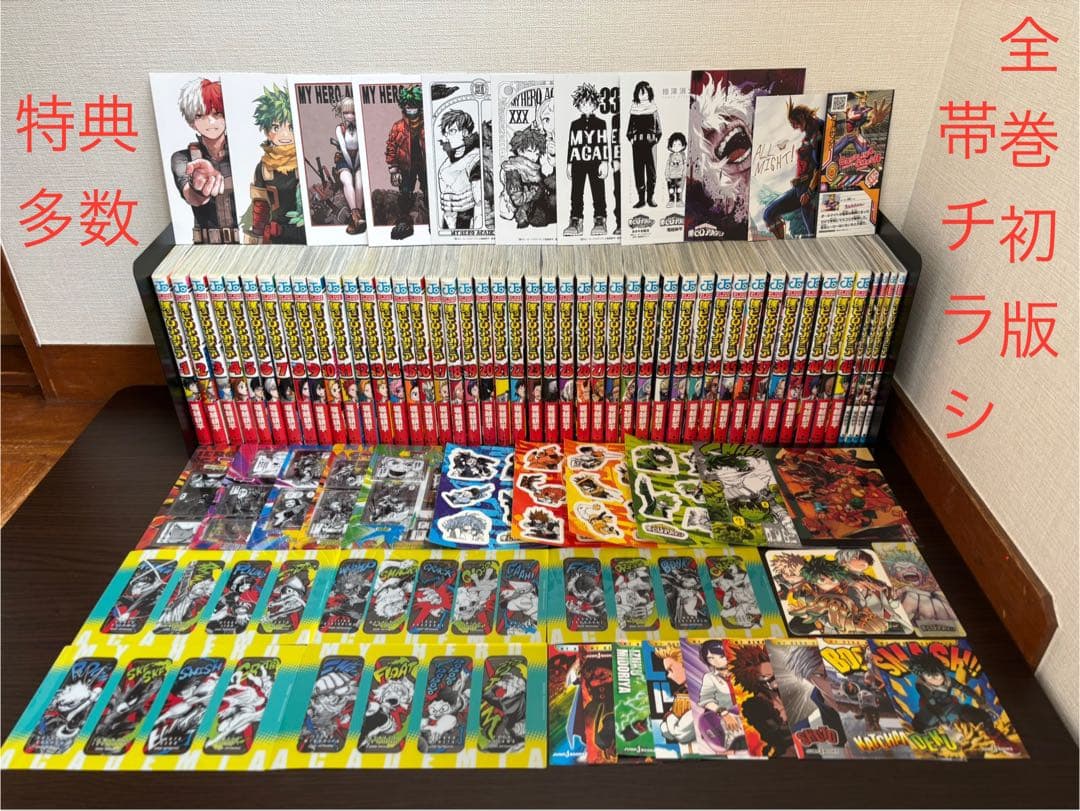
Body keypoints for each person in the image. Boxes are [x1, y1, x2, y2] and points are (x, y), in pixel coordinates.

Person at [172, 77, 238, 244]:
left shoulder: (241, 152)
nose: (210, 121)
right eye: (201, 115)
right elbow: (191, 196)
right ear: (192, 122)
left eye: (217, 113)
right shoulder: (183, 158)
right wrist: (200, 187)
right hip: (206, 246)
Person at [249, 84, 304, 244]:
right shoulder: (263, 168)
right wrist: (259, 235)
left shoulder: (305, 160)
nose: (285, 134)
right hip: (277, 235)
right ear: (267, 131)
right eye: (276, 127)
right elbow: (260, 207)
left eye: (291, 127)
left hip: (306, 233)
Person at [385, 86, 426, 240]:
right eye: (408, 106)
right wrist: (394, 169)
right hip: (406, 166)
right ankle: (404, 221)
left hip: (425, 165)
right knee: (405, 193)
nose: (411, 109)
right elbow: (391, 147)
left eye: (414, 105)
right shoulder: (398, 127)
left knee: (429, 191)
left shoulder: (428, 124)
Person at [333, 96, 366, 235]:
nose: (350, 116)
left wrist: (356, 163)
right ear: (342, 113)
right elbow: (344, 149)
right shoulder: (339, 128)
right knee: (347, 180)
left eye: (353, 112)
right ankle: (355, 215)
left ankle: (358, 217)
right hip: (344, 159)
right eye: (346, 113)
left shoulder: (361, 127)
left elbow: (361, 148)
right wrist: (350, 165)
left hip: (359, 159)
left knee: (359, 183)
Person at [625, 81, 661, 208]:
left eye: (645, 92)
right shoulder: (634, 109)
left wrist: (655, 139)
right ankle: (641, 199)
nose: (643, 95)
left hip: (651, 145)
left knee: (651, 172)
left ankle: (650, 198)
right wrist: (631, 138)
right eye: (640, 93)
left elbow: (658, 128)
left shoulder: (653, 108)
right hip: (637, 145)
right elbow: (630, 128)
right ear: (636, 94)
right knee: (638, 171)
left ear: (649, 93)